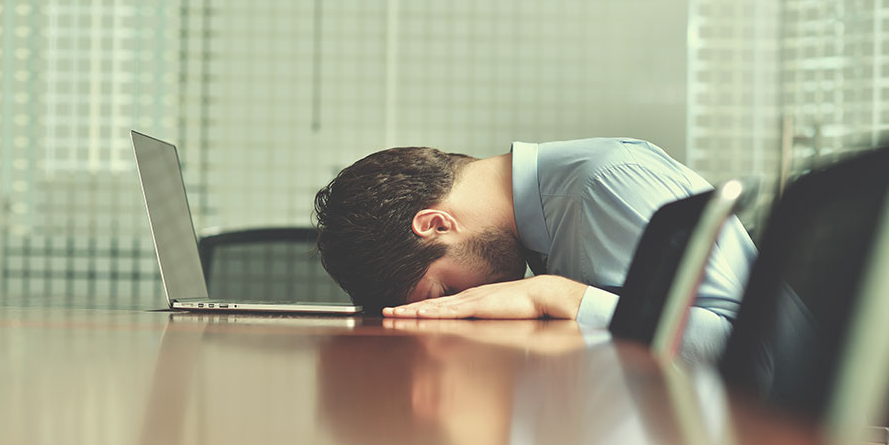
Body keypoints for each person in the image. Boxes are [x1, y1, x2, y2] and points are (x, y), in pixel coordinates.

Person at [314, 138, 757, 354]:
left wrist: (556, 294)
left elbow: (752, 350)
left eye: (446, 294)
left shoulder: (602, 186)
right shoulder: (546, 222)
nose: (469, 302)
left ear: (434, 224)